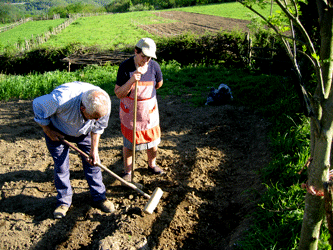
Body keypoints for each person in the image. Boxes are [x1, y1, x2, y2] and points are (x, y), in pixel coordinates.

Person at [33, 81, 114, 219]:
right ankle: (64, 201)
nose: (98, 119)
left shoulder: (103, 102)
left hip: (84, 132)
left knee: (93, 163)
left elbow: (98, 127)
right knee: (61, 167)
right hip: (57, 131)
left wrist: (94, 150)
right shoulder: (60, 100)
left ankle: (99, 197)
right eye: (94, 116)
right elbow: (37, 104)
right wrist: (48, 130)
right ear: (83, 108)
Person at [114, 38, 164, 182]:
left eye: (149, 57)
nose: (146, 60)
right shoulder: (125, 67)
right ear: (136, 51)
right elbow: (118, 93)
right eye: (143, 56)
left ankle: (152, 164)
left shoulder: (154, 66)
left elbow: (159, 84)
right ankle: (128, 172)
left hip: (149, 112)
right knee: (129, 144)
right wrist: (131, 81)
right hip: (131, 112)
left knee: (153, 142)